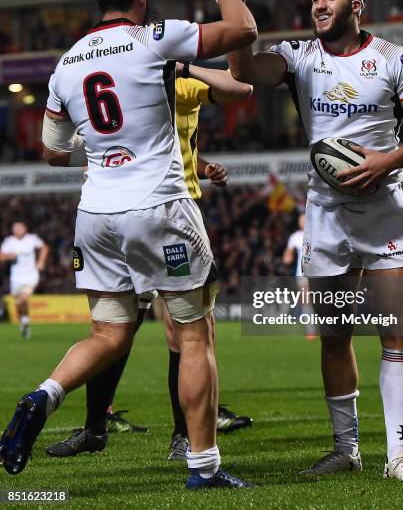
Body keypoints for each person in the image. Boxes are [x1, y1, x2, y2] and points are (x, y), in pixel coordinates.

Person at [1, 0, 257, 492]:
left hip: (95, 214)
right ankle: (203, 467)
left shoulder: (67, 64)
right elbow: (242, 32)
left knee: (108, 334)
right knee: (194, 334)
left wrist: (100, 154)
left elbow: (49, 150)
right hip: (160, 206)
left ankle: (43, 396)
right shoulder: (153, 38)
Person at [221, 0, 403, 482]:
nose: (319, 4)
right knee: (335, 332)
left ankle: (397, 457)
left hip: (387, 205)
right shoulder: (298, 57)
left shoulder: (394, 59)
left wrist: (388, 159)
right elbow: (245, 69)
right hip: (326, 211)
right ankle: (347, 450)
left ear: (355, 6)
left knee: (395, 332)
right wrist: (232, 2)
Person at [45, 64, 253, 460]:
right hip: (131, 214)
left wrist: (202, 165)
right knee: (118, 329)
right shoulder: (126, 80)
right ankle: (95, 426)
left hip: (171, 210)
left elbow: (231, 92)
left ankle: (182, 435)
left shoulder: (179, 81)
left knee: (179, 329)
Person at [0, 222, 49, 339]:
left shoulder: (32, 239)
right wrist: (8, 256)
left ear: (25, 229)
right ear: (12, 230)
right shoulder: (9, 242)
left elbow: (44, 247)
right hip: (16, 278)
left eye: (20, 228)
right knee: (19, 304)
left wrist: (41, 262)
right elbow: (1, 256)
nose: (18, 230)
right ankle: (24, 321)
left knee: (23, 298)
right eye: (15, 228)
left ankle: (25, 321)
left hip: (30, 276)